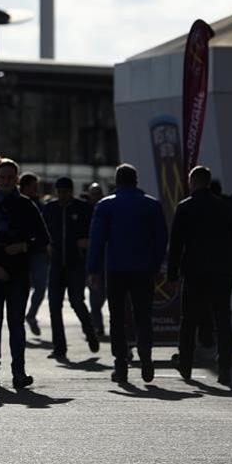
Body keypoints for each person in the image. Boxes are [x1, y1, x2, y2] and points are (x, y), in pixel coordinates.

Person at [88, 164, 168, 385]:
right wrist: (155, 264)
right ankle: (146, 356)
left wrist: (93, 270)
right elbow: (161, 239)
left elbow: (97, 240)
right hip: (144, 269)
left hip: (116, 269)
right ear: (136, 180)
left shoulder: (105, 206)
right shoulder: (152, 205)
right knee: (143, 315)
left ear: (116, 181)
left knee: (117, 318)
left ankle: (121, 365)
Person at [0, 157, 49, 390]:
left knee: (16, 323)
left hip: (18, 273)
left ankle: (18, 372)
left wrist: (24, 246)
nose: (6, 181)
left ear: (16, 179)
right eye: (2, 176)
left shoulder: (27, 205)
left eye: (10, 177)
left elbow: (43, 238)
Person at [167, 165, 232, 386]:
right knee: (222, 319)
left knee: (189, 319)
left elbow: (177, 243)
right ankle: (225, 367)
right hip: (221, 271)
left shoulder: (185, 207)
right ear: (208, 182)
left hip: (195, 271)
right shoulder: (225, 208)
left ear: (192, 182)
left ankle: (186, 363)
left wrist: (172, 273)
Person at [41, 176, 99, 360]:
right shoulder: (50, 209)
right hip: (56, 263)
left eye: (65, 192)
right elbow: (41, 230)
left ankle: (90, 332)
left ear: (71, 191)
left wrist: (87, 243)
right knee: (54, 305)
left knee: (76, 301)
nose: (62, 196)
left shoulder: (83, 208)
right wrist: (46, 245)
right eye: (59, 192)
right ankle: (59, 348)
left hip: (76, 263)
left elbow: (94, 232)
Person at [19, 172, 47, 336]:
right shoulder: (16, 203)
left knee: (41, 287)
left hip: (38, 251)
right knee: (21, 289)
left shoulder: (40, 204)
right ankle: (20, 320)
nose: (36, 189)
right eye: (33, 186)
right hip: (21, 252)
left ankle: (30, 315)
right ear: (24, 187)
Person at [85, 182, 107, 336]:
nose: (96, 196)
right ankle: (97, 325)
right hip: (93, 258)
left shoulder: (106, 208)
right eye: (93, 193)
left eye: (98, 193)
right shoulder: (85, 211)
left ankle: (96, 323)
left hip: (106, 257)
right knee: (95, 296)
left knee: (102, 295)